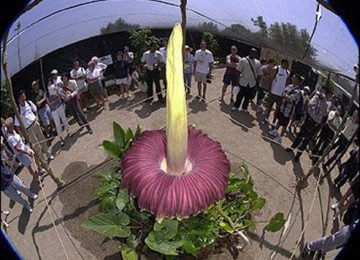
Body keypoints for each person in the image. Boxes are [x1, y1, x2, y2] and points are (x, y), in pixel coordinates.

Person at [286, 86, 329, 162]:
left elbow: (323, 113)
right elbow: (309, 105)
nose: (322, 93)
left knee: (306, 140)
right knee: (300, 135)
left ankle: (298, 155)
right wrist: (317, 100)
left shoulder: (326, 103)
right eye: (321, 91)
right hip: (309, 119)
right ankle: (292, 148)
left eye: (324, 92)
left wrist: (323, 101)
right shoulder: (316, 97)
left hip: (315, 123)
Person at [14, 90, 54, 162]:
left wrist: (37, 119)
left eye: (24, 95)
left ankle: (48, 154)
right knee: (37, 147)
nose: (23, 97)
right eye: (22, 97)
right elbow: (17, 126)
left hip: (35, 124)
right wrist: (23, 134)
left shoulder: (29, 103)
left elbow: (35, 111)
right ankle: (43, 161)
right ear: (18, 99)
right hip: (29, 129)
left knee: (43, 140)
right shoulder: (18, 111)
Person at [268, 74, 302, 144]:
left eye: (294, 78)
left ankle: (280, 138)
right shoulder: (290, 86)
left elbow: (290, 99)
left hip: (288, 111)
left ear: (297, 81)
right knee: (279, 120)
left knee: (284, 125)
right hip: (283, 107)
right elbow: (283, 93)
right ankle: (275, 132)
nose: (292, 79)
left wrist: (286, 96)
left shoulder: (298, 92)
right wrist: (285, 95)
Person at [231, 48, 262, 112]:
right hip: (243, 81)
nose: (253, 54)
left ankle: (244, 108)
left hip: (252, 83)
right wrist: (237, 81)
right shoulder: (243, 60)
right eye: (252, 52)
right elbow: (238, 71)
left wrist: (257, 83)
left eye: (255, 53)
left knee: (248, 97)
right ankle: (236, 106)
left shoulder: (258, 63)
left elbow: (259, 74)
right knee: (240, 95)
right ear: (250, 52)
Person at [262, 59, 290, 127]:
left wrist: (285, 92)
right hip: (273, 92)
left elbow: (286, 83)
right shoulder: (276, 69)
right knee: (269, 106)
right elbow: (271, 80)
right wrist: (269, 91)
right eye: (285, 64)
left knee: (277, 109)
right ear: (282, 63)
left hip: (280, 95)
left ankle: (273, 122)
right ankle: (266, 118)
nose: (287, 65)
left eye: (287, 64)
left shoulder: (287, 72)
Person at [46, 79, 72, 146]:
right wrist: (56, 100)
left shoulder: (55, 88)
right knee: (57, 124)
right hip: (54, 110)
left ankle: (68, 131)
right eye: (48, 83)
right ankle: (61, 138)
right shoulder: (46, 93)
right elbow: (49, 104)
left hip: (60, 106)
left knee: (64, 119)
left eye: (50, 83)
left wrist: (57, 93)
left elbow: (60, 96)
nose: (50, 84)